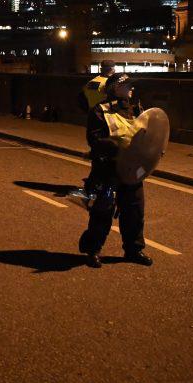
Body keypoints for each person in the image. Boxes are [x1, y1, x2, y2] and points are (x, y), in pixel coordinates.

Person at [78, 73, 153, 268]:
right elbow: (94, 140)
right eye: (127, 85)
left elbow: (148, 136)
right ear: (115, 88)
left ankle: (134, 250)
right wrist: (120, 146)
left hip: (132, 170)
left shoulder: (137, 110)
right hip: (107, 169)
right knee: (102, 212)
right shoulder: (99, 110)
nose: (132, 89)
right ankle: (93, 250)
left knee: (135, 211)